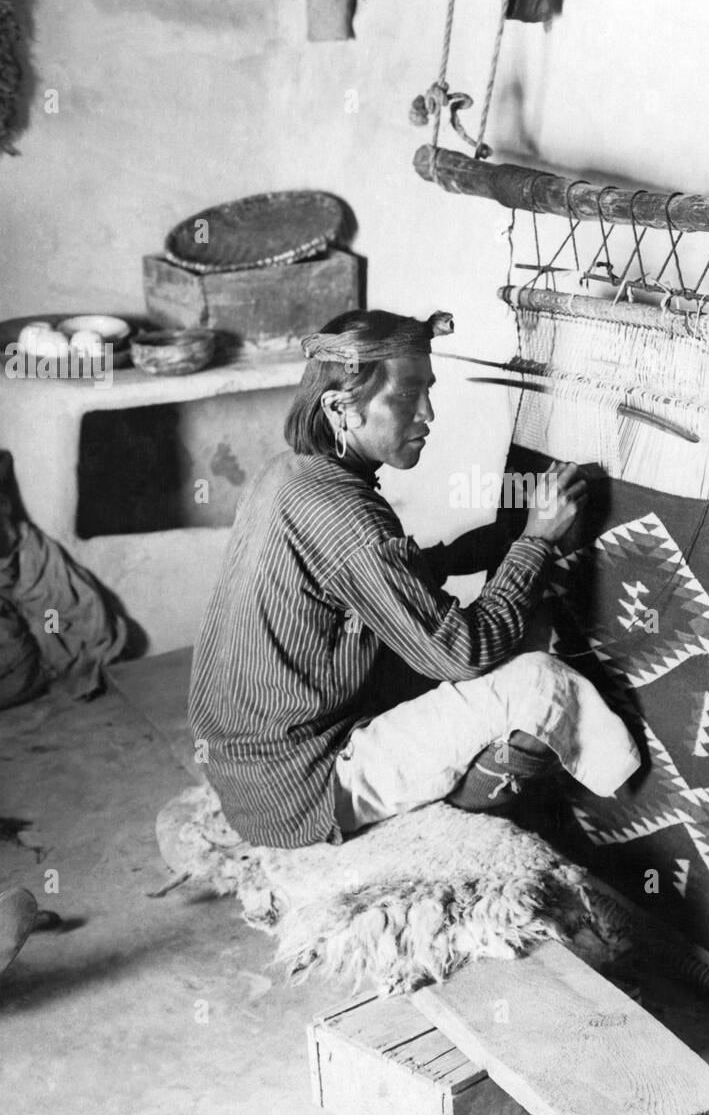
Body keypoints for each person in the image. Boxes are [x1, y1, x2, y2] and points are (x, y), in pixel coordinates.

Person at [189, 309, 639, 849]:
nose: (427, 413)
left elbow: (377, 581)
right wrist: (537, 542)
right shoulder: (347, 517)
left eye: (428, 390)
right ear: (340, 408)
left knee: (480, 639)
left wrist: (505, 539)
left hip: (247, 768)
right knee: (541, 680)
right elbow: (463, 653)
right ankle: (623, 813)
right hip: (302, 787)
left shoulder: (286, 474)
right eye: (405, 396)